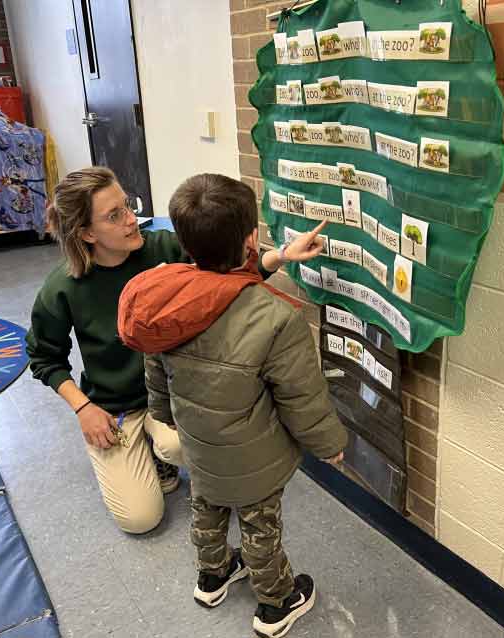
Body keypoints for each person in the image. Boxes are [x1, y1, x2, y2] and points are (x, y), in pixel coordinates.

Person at [25, 167, 325, 534]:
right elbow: (43, 357)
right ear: (87, 233)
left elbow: (225, 280)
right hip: (114, 406)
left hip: (172, 392)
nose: (132, 219)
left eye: (127, 205)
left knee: (190, 446)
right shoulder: (62, 288)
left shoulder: (165, 249)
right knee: (140, 520)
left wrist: (280, 257)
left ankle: (160, 449)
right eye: (114, 216)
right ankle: (146, 450)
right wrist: (83, 408)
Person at [118, 173, 348, 637]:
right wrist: (329, 445)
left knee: (206, 506)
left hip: (198, 445)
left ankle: (213, 575)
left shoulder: (164, 300)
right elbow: (302, 396)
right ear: (249, 239)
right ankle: (277, 603)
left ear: (184, 240)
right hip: (253, 457)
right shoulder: (274, 317)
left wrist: (165, 416)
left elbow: (155, 374)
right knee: (260, 526)